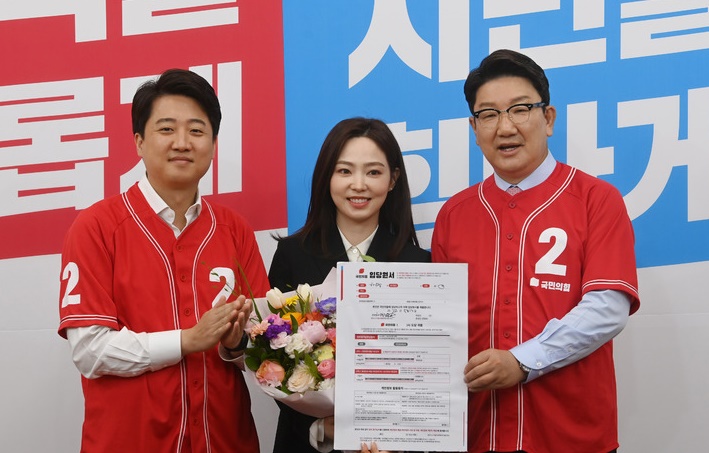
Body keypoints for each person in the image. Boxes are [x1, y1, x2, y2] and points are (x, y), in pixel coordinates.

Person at [431, 49, 641, 453]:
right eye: (489, 114)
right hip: (479, 434)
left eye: (520, 109)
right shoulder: (454, 215)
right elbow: (439, 329)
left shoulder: (596, 199)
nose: (505, 126)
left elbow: (608, 307)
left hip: (572, 436)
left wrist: (523, 361)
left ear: (548, 118)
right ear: (474, 128)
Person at [57, 69, 270, 452]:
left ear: (214, 144)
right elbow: (90, 351)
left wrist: (236, 344)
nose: (182, 143)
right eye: (167, 129)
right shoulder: (96, 227)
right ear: (139, 141)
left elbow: (267, 348)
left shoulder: (234, 230)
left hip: (225, 440)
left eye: (197, 131)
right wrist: (186, 340)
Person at [268, 117, 431, 453]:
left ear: (392, 180)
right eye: (344, 171)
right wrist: (321, 427)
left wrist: (395, 435)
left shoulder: (420, 265)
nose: (359, 185)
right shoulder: (292, 255)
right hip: (306, 444)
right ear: (327, 177)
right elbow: (272, 365)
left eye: (373, 172)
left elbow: (426, 371)